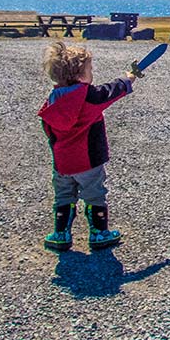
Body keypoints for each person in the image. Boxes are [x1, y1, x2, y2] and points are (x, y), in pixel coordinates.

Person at [38, 41, 136, 252]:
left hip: (62, 161)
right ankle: (99, 233)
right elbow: (111, 91)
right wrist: (128, 79)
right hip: (88, 160)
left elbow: (48, 129)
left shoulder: (53, 99)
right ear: (80, 74)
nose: (92, 73)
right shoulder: (87, 96)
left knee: (63, 195)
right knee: (94, 194)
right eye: (89, 69)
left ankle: (60, 234)